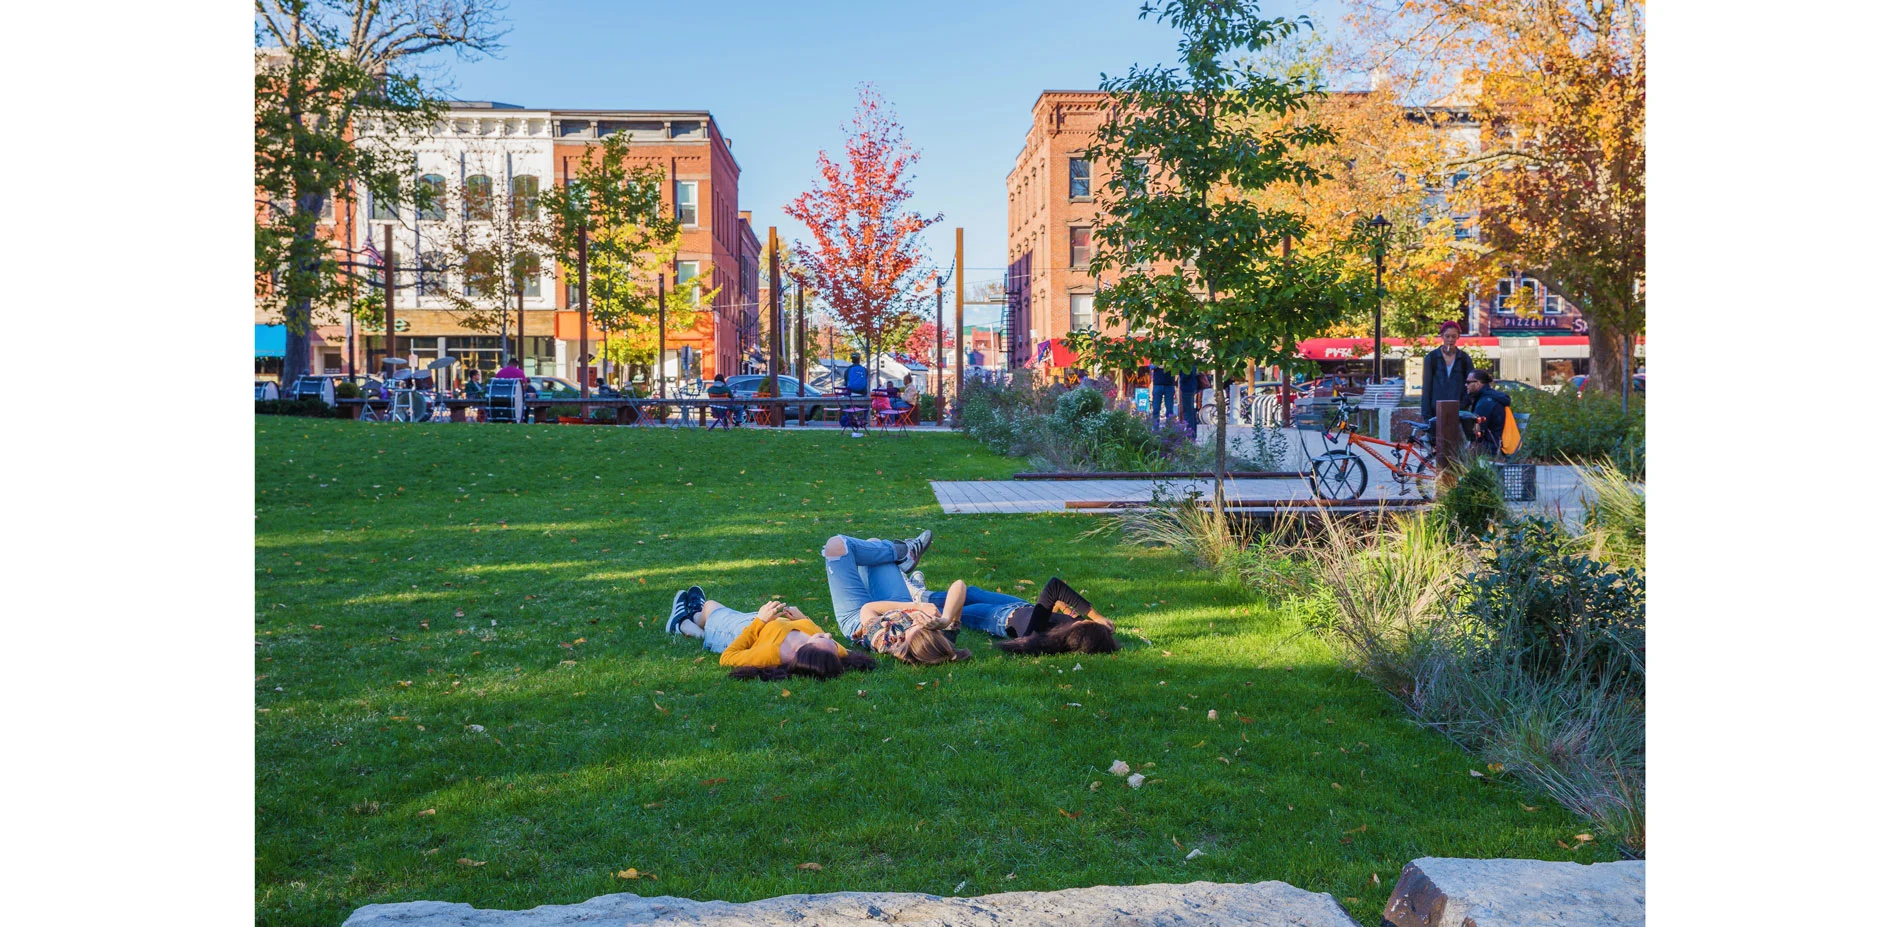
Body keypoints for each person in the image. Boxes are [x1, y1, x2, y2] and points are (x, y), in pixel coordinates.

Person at [665, 585, 876, 681]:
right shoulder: (831, 652)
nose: (829, 635)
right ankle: (694, 621)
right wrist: (803, 618)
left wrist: (760, 620)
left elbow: (727, 657)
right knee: (712, 609)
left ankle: (684, 621)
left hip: (741, 632)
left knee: (710, 607)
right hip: (764, 623)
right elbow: (823, 637)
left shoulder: (770, 654)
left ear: (807, 649)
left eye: (823, 637)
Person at [820, 532, 970, 665]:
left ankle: (902, 552)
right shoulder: (940, 639)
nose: (916, 620)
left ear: (904, 643)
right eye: (925, 626)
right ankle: (906, 557)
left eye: (913, 626)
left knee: (836, 547)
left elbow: (869, 609)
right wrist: (946, 620)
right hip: (901, 605)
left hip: (858, 618)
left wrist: (918, 606)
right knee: (873, 545)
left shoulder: (886, 641)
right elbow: (959, 585)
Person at [903, 573, 1120, 655]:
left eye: (1084, 623)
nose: (1080, 620)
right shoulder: (1071, 629)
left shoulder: (1038, 634)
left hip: (996, 617)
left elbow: (1054, 586)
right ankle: (923, 593)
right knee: (973, 592)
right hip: (1018, 604)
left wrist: (1096, 615)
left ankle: (913, 598)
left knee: (953, 607)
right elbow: (1060, 602)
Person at [1421, 322, 1474, 418]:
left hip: (1459, 410)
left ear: (1458, 337)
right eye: (1447, 336)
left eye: (1453, 336)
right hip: (1436, 411)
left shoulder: (1464, 358)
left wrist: (1464, 403)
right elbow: (1427, 387)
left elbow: (1471, 384)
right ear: (1442, 336)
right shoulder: (1432, 358)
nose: (1450, 340)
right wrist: (1426, 414)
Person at [1463, 369, 1513, 455]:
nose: (1465, 385)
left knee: (1454, 445)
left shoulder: (1485, 402)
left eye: (1468, 382)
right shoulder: (1489, 397)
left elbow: (1477, 430)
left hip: (1492, 447)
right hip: (1497, 443)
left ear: (1478, 383)